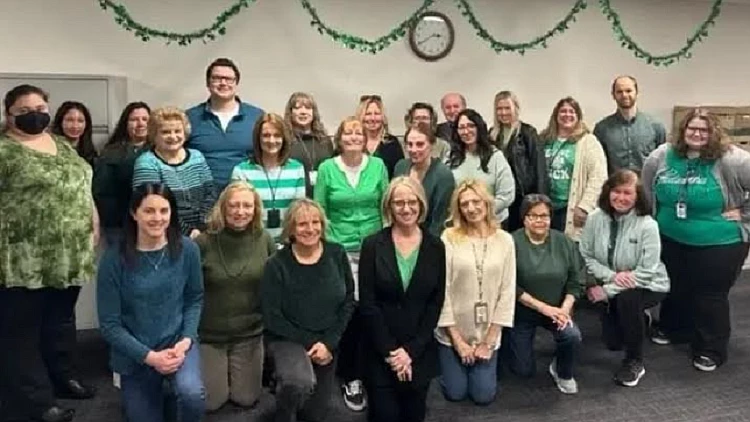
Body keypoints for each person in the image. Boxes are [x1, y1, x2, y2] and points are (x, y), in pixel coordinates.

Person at [0, 84, 98, 422]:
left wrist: (93, 218)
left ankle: (62, 377)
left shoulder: (60, 143)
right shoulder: (4, 151)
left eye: (41, 107)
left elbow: (81, 186)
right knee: (21, 331)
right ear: (9, 115)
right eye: (26, 110)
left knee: (59, 322)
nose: (35, 114)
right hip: (22, 258)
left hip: (68, 255)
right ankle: (35, 403)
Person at [642, 108, 750, 371]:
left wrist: (746, 212)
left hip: (719, 242)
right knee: (676, 286)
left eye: (704, 129)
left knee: (709, 295)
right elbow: (647, 189)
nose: (697, 134)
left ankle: (711, 348)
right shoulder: (662, 156)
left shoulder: (733, 159)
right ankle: (674, 328)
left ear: (714, 133)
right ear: (683, 130)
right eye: (692, 128)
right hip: (670, 236)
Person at [97, 183, 205, 422]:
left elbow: (194, 299)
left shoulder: (188, 250)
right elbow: (109, 324)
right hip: (135, 352)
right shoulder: (113, 260)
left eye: (164, 211)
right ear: (134, 214)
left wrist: (186, 340)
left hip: (178, 345)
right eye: (149, 211)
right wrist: (150, 357)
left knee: (192, 396)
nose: (158, 218)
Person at [314, 116, 389, 412]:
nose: (354, 136)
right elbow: (321, 210)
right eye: (348, 132)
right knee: (350, 312)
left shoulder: (378, 166)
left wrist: (385, 244)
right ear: (339, 138)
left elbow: (386, 206)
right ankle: (351, 376)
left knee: (374, 309)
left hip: (374, 249)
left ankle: (375, 368)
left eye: (358, 132)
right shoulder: (327, 169)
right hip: (340, 251)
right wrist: (334, 247)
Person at [359, 177, 446, 422]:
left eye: (412, 202)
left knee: (413, 415)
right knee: (384, 415)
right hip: (380, 349)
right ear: (389, 206)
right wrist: (391, 352)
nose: (406, 208)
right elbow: (368, 303)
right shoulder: (373, 245)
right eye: (399, 203)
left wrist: (410, 351)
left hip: (418, 350)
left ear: (421, 204)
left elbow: (435, 303)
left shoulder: (436, 246)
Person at [261, 199, 355, 422]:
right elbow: (272, 317)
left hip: (327, 341)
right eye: (302, 224)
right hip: (288, 338)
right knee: (298, 384)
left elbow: (349, 300)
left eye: (316, 222)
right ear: (291, 229)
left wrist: (329, 343)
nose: (310, 229)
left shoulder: (337, 253)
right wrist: (313, 342)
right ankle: (282, 398)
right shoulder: (276, 263)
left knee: (313, 414)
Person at [579, 170, 670, 387]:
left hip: (648, 284)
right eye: (616, 191)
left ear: (637, 196)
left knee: (628, 300)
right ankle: (639, 319)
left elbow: (648, 271)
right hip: (611, 279)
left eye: (627, 193)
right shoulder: (594, 218)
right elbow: (586, 255)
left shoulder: (648, 225)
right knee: (613, 343)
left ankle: (634, 361)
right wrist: (612, 277)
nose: (621, 198)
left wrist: (607, 290)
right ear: (608, 192)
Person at [195, 181, 275, 411]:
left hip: (249, 334)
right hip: (210, 335)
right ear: (223, 208)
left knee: (246, 398)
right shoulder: (204, 242)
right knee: (212, 402)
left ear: (255, 209)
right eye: (234, 206)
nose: (240, 212)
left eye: (247, 206)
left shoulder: (264, 239)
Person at [436, 179, 516, 405]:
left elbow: (507, 291)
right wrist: (458, 342)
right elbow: (443, 291)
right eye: (464, 204)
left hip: (487, 333)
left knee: (483, 396)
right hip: (453, 333)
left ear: (487, 203)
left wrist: (488, 342)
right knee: (455, 393)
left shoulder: (505, 240)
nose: (471, 208)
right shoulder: (449, 237)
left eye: (476, 202)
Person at [506, 194, 582, 394]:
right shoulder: (510, 243)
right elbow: (508, 285)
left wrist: (564, 309)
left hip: (558, 309)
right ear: (524, 218)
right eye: (533, 216)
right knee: (522, 371)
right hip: (522, 312)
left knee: (572, 336)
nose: (539, 220)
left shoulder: (563, 242)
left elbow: (576, 281)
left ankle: (562, 370)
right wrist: (543, 308)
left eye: (544, 216)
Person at [132, 106, 216, 239]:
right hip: (166, 235)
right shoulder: (146, 163)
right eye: (165, 132)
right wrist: (188, 232)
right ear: (154, 135)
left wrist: (201, 226)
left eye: (178, 131)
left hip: (203, 232)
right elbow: (151, 206)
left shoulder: (197, 157)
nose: (173, 136)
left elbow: (211, 194)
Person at [186, 57, 264, 192]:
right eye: (217, 78)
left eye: (229, 79)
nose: (223, 83)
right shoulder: (189, 118)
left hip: (246, 199)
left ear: (236, 83)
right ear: (208, 83)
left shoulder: (257, 117)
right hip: (202, 199)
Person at [231, 113, 306, 243]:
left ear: (284, 139)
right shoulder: (241, 171)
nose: (272, 141)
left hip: (288, 243)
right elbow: (238, 213)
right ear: (258, 139)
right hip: (253, 243)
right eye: (266, 135)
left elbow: (298, 212)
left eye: (277, 135)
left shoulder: (297, 169)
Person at [539, 97, 607, 240]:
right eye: (563, 111)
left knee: (568, 250)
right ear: (556, 115)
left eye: (572, 112)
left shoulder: (588, 142)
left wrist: (585, 206)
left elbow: (598, 177)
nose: (567, 115)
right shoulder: (544, 139)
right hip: (545, 207)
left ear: (578, 117)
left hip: (570, 208)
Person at [488, 91, 548, 231]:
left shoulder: (527, 133)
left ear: (516, 108)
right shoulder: (491, 134)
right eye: (499, 109)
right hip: (500, 199)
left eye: (507, 108)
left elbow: (539, 169)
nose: (503, 113)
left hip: (522, 199)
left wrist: (540, 202)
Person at [93, 101, 151, 246]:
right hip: (118, 224)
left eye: (145, 119)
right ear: (125, 123)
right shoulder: (110, 152)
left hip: (153, 221)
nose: (140, 124)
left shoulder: (160, 149)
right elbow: (101, 191)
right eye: (134, 119)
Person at [447, 109, 515, 224]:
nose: (466, 131)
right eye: (461, 127)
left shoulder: (495, 157)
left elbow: (507, 195)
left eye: (471, 126)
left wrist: (481, 212)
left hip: (493, 222)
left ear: (479, 128)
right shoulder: (450, 157)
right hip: (462, 223)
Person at [594, 75, 666, 175]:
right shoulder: (602, 129)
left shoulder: (656, 126)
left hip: (646, 188)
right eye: (619, 91)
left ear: (636, 92)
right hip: (616, 188)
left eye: (628, 91)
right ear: (613, 95)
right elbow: (598, 165)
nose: (624, 95)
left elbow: (662, 162)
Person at [394, 122, 456, 237]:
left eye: (420, 144)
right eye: (410, 144)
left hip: (430, 239)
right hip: (400, 234)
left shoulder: (443, 175)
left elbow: (439, 221)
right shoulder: (400, 167)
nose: (413, 149)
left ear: (431, 145)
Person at [285, 92, 334, 197]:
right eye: (297, 108)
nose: (303, 112)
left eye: (307, 108)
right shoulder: (285, 141)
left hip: (323, 197)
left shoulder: (325, 141)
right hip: (295, 198)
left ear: (313, 113)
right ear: (290, 113)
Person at [357, 95, 403, 179]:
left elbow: (399, 175)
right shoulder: (353, 141)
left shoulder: (392, 143)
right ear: (361, 116)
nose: (372, 118)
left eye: (377, 114)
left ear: (382, 117)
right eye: (368, 114)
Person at [51, 100, 97, 166]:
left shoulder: (91, 153)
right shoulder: (50, 149)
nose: (75, 126)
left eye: (80, 121)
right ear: (60, 122)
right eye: (70, 120)